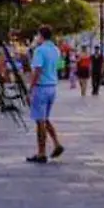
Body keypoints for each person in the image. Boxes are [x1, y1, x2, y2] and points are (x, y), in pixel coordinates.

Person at [27, 26, 65, 164]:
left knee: (40, 121)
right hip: (52, 86)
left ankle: (41, 152)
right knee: (45, 118)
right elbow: (59, 67)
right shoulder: (55, 49)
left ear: (40, 35)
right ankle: (56, 143)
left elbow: (37, 70)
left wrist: (30, 88)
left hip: (41, 87)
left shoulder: (40, 50)